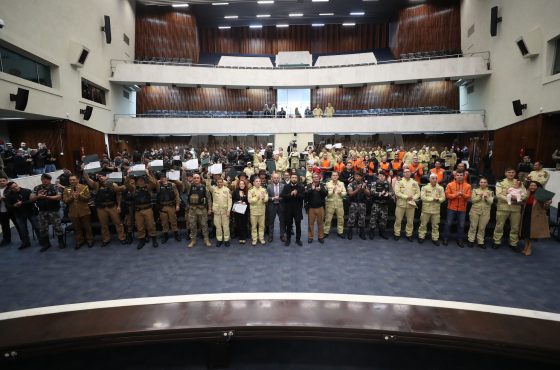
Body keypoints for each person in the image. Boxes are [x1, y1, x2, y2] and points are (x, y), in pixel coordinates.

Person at [85, 173, 127, 246]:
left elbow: (118, 195)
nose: (101, 177)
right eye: (100, 176)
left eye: (102, 176)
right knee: (103, 225)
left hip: (112, 206)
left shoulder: (113, 184)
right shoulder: (97, 185)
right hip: (101, 207)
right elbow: (87, 179)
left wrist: (119, 206)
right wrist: (85, 171)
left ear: (106, 177)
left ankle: (122, 237)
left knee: (118, 223)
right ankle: (106, 239)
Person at [493, 168, 527, 251]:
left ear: (515, 173)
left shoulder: (519, 183)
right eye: (509, 172)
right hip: (503, 208)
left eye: (512, 172)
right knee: (499, 226)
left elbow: (525, 194)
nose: (511, 174)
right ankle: (497, 241)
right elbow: (498, 194)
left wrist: (517, 198)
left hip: (515, 209)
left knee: (515, 227)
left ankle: (513, 243)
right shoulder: (500, 182)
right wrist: (512, 198)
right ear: (505, 173)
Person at [32, 173, 65, 252]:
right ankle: (46, 244)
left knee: (58, 227)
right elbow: (31, 198)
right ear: (41, 180)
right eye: (43, 179)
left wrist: (46, 197)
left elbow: (59, 197)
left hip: (54, 210)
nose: (45, 180)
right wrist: (38, 196)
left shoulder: (55, 187)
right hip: (42, 211)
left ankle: (61, 242)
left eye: (47, 179)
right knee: (43, 228)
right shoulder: (37, 188)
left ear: (50, 180)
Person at [127, 170, 159, 249]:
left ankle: (154, 239)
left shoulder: (148, 187)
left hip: (148, 209)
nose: (140, 182)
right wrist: (128, 175)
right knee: (140, 226)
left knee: (151, 225)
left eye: (142, 180)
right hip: (138, 210)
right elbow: (127, 185)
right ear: (136, 182)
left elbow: (154, 183)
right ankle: (142, 240)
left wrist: (148, 174)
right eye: (139, 181)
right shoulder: (134, 188)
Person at [520, 181, 552, 256]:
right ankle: (525, 246)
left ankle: (529, 247)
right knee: (525, 231)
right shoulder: (526, 192)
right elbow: (522, 202)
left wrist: (547, 203)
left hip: (535, 216)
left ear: (538, 187)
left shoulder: (541, 194)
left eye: (534, 185)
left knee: (531, 233)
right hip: (525, 214)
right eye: (531, 185)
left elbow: (545, 207)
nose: (532, 187)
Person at [5, 181, 39, 249]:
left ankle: (42, 240)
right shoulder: (8, 195)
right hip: (19, 214)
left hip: (30, 212)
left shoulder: (27, 191)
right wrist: (14, 205)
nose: (16, 188)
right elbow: (8, 206)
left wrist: (22, 203)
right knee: (22, 229)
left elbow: (33, 200)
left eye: (16, 186)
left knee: (37, 227)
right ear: (10, 189)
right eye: (13, 188)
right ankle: (26, 243)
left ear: (18, 184)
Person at [62, 175, 93, 249]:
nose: (72, 181)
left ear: (77, 180)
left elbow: (88, 198)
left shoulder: (84, 187)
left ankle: (90, 240)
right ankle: (79, 241)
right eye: (70, 180)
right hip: (73, 212)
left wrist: (79, 196)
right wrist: (72, 197)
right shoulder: (67, 189)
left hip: (84, 211)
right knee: (77, 228)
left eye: (73, 180)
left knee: (87, 227)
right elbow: (65, 201)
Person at [443, 170, 471, 247]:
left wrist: (463, 194)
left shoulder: (468, 186)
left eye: (461, 175)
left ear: (464, 176)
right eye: (457, 175)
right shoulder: (450, 185)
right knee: (448, 224)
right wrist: (456, 194)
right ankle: (445, 238)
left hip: (462, 209)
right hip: (451, 208)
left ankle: (460, 240)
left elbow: (468, 197)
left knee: (461, 225)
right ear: (455, 176)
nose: (459, 176)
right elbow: (447, 196)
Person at [184, 172, 212, 248]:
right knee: (192, 225)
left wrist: (209, 208)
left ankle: (206, 239)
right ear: (192, 179)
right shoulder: (190, 187)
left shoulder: (204, 187)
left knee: (204, 225)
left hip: (202, 209)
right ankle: (193, 240)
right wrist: (184, 171)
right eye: (195, 178)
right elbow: (184, 181)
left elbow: (209, 198)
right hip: (192, 210)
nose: (196, 179)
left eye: (198, 178)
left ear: (200, 179)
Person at [393, 167, 420, 241]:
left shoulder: (414, 182)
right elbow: (397, 193)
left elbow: (418, 193)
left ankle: (409, 234)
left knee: (410, 221)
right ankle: (397, 234)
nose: (407, 173)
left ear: (410, 173)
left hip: (411, 205)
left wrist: (413, 198)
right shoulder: (399, 182)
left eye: (408, 172)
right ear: (403, 173)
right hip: (400, 205)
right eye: (405, 172)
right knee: (398, 220)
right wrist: (406, 197)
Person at [418, 173, 445, 245]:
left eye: (436, 178)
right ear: (429, 179)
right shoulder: (425, 187)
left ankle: (435, 238)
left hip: (436, 210)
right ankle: (421, 236)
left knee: (435, 225)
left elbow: (443, 198)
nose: (434, 180)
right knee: (423, 224)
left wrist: (438, 200)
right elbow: (423, 197)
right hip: (426, 209)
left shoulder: (440, 188)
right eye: (433, 178)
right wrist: (433, 199)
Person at [467, 177, 494, 248]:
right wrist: (480, 196)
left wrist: (486, 197)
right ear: (479, 183)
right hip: (475, 211)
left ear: (487, 183)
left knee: (482, 228)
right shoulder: (475, 190)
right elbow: (472, 200)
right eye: (481, 182)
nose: (483, 184)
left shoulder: (490, 192)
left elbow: (491, 202)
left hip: (485, 212)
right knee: (473, 226)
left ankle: (480, 241)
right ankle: (471, 240)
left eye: (485, 182)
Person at [155, 173, 181, 243]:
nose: (163, 179)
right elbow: (153, 183)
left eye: (164, 177)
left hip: (171, 206)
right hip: (162, 207)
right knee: (164, 222)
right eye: (161, 178)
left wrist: (177, 205)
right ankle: (165, 235)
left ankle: (176, 233)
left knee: (173, 221)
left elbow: (177, 195)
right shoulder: (158, 185)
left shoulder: (172, 185)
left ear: (167, 178)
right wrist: (157, 182)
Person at [281, 173, 304, 246]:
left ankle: (298, 239)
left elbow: (303, 196)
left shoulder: (301, 187)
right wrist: (290, 194)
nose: (294, 179)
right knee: (288, 225)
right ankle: (288, 239)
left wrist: (297, 194)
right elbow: (283, 196)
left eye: (295, 177)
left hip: (298, 209)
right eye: (293, 177)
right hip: (288, 209)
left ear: (297, 179)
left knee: (298, 225)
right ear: (290, 178)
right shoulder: (286, 186)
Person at [368, 171, 392, 239]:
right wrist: (380, 194)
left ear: (385, 177)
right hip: (376, 204)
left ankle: (382, 232)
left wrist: (389, 194)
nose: (382, 177)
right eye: (380, 176)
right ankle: (371, 232)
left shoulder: (388, 183)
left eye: (383, 176)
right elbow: (372, 192)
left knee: (383, 219)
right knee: (373, 218)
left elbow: (392, 192)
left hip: (384, 204)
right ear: (378, 176)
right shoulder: (374, 183)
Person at [305, 173, 327, 244]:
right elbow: (305, 195)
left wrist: (320, 190)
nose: (316, 178)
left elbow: (326, 194)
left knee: (320, 223)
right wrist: (311, 189)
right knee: (310, 224)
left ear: (319, 178)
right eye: (314, 177)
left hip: (320, 207)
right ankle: (310, 237)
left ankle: (320, 237)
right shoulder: (308, 185)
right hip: (311, 208)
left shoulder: (323, 185)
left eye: (317, 177)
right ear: (312, 178)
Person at [346, 171, 369, 240]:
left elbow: (369, 194)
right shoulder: (351, 184)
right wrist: (358, 189)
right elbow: (350, 194)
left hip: (362, 203)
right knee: (351, 219)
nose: (358, 177)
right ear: (354, 177)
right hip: (353, 203)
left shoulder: (364, 184)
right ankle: (350, 233)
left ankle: (362, 233)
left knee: (362, 219)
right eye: (356, 176)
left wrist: (363, 189)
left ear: (361, 177)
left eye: (359, 176)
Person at [324, 171, 347, 238]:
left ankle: (340, 232)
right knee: (328, 219)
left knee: (340, 219)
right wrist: (332, 191)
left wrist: (341, 193)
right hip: (330, 203)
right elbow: (326, 195)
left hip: (339, 204)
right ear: (331, 177)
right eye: (333, 175)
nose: (335, 176)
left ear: (338, 176)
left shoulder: (341, 183)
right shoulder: (327, 184)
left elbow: (345, 193)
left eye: (336, 175)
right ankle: (326, 232)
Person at [211, 177, 232, 247]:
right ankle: (219, 239)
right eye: (218, 182)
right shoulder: (213, 189)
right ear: (216, 183)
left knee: (226, 226)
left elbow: (230, 201)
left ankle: (226, 239)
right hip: (216, 211)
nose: (219, 183)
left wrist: (229, 210)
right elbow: (208, 186)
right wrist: (208, 178)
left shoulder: (227, 190)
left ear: (223, 182)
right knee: (218, 227)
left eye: (221, 182)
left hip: (225, 211)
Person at [248, 177, 268, 246]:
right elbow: (249, 200)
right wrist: (257, 197)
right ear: (253, 183)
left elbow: (266, 199)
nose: (258, 182)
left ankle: (261, 238)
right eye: (256, 181)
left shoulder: (264, 190)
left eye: (259, 181)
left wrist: (263, 199)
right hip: (254, 212)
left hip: (262, 211)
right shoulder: (250, 190)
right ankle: (254, 239)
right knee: (253, 226)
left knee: (262, 226)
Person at [266, 172, 285, 242]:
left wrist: (281, 198)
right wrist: (272, 198)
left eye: (277, 178)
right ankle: (270, 236)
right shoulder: (269, 186)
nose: (276, 179)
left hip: (281, 205)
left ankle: (282, 235)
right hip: (272, 205)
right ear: (272, 179)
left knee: (282, 221)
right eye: (274, 178)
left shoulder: (283, 186)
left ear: (279, 178)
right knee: (271, 221)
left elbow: (285, 196)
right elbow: (266, 197)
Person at [232, 178, 250, 244]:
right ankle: (240, 237)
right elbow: (232, 200)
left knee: (244, 223)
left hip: (245, 210)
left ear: (245, 185)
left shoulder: (247, 191)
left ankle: (244, 237)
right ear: (238, 184)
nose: (242, 185)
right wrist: (237, 202)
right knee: (238, 223)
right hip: (237, 210)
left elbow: (249, 201)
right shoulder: (235, 191)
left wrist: (246, 203)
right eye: (240, 184)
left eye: (243, 184)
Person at [0, 176, 12, 245]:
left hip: (11, 210)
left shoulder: (11, 188)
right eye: (0, 181)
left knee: (18, 225)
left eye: (3, 180)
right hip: (2, 211)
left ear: (7, 181)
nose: (1, 182)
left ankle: (24, 240)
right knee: (4, 226)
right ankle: (6, 240)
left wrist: (4, 198)